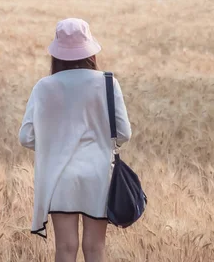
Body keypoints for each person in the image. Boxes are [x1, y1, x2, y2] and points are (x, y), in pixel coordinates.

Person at [19, 18, 132, 262]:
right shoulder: (108, 82)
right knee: (95, 249)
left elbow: (25, 136)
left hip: (60, 177)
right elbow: (124, 133)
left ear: (57, 52)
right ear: (89, 49)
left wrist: (55, 144)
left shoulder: (44, 86)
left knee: (65, 249)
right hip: (98, 174)